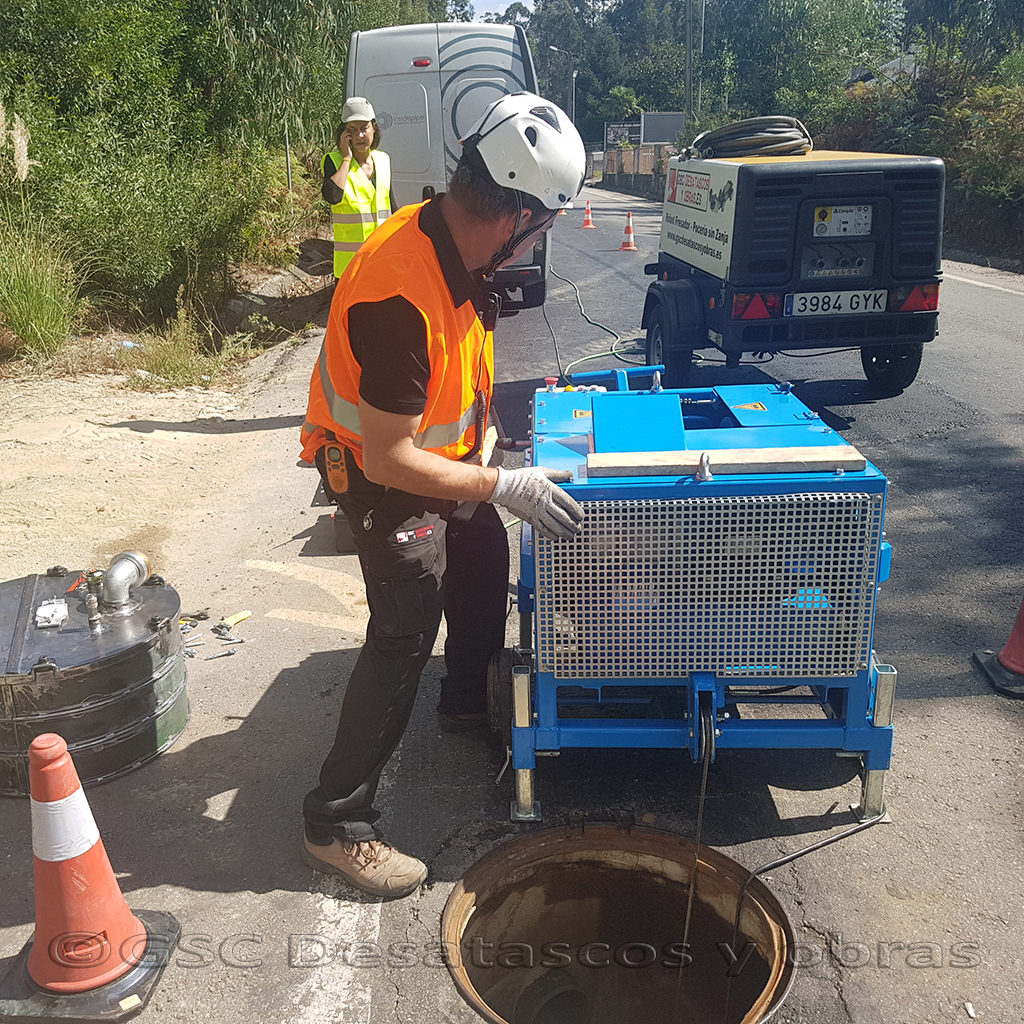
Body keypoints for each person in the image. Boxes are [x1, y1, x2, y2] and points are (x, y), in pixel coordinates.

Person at [298, 92, 587, 898]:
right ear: (516, 214)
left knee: (483, 553)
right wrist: (503, 482)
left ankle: (464, 701)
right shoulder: (400, 294)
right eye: (544, 225)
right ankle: (338, 822)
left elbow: (460, 364)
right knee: (402, 631)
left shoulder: (451, 244)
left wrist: (486, 443)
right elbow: (392, 457)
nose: (540, 242)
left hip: (442, 456)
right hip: (378, 476)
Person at [322, 96, 396, 280]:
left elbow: (391, 206)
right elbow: (333, 196)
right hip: (350, 266)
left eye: (364, 128)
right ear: (344, 135)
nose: (360, 135)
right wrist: (346, 158)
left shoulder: (383, 160)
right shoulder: (334, 161)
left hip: (382, 257)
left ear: (374, 128)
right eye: (352, 130)